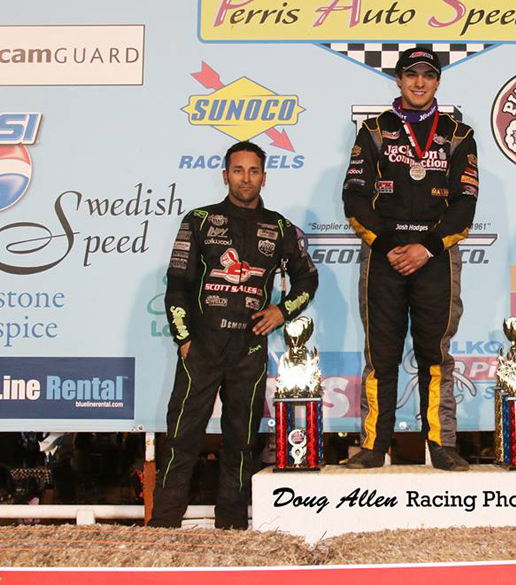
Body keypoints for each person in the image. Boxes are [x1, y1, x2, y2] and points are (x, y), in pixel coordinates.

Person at [150, 140, 318, 528]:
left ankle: (232, 528)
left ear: (264, 177)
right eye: (238, 170)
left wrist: (282, 311)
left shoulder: (280, 227)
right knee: (181, 438)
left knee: (240, 442)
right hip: (202, 347)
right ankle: (163, 526)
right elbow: (177, 285)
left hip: (249, 349)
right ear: (225, 175)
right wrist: (184, 339)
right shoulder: (199, 220)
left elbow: (307, 280)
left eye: (253, 171)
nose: (246, 178)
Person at [341, 47, 479, 471]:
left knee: (435, 354)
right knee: (380, 355)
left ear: (438, 82)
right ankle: (373, 446)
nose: (419, 82)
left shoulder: (458, 134)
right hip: (383, 255)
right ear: (398, 79)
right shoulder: (374, 131)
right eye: (411, 75)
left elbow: (465, 204)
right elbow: (354, 198)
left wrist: (427, 247)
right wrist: (388, 246)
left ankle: (441, 444)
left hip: (436, 257)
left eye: (428, 75)